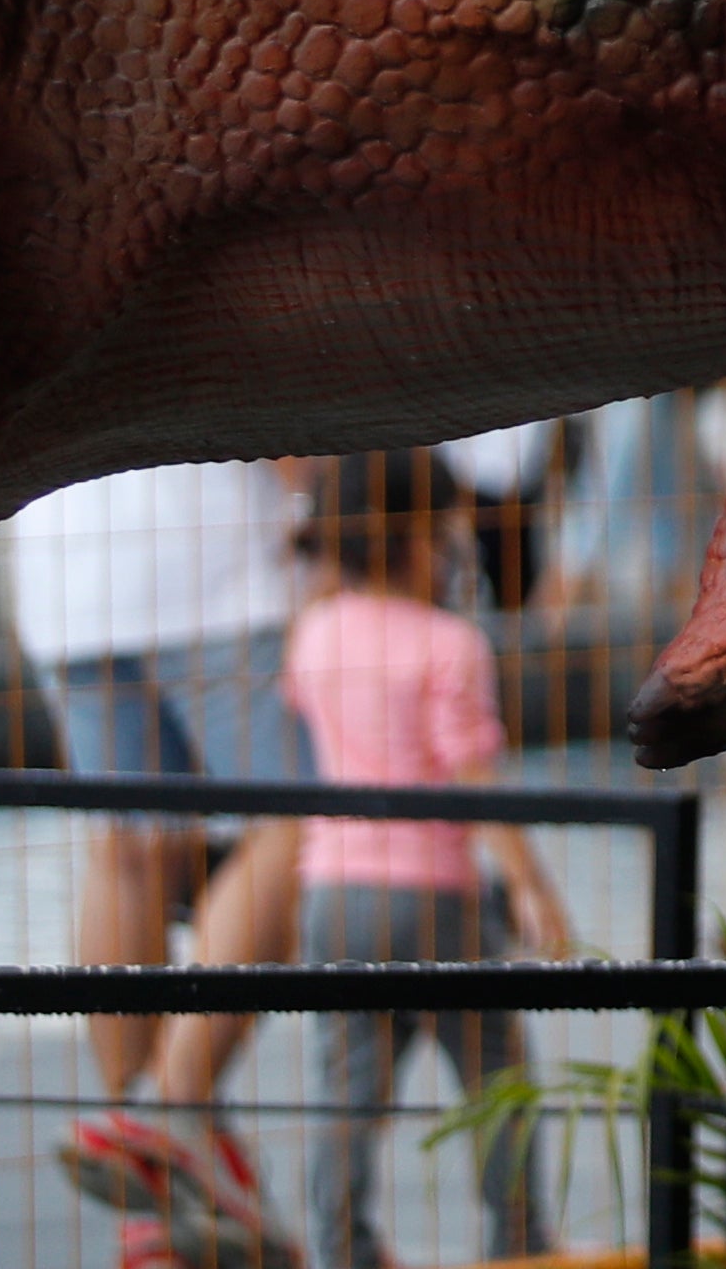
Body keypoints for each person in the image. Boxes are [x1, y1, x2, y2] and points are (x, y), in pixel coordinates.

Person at [12, 462, 314, 1269]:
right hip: (210, 562)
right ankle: (170, 1109)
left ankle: (154, 1182)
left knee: (128, 848)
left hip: (62, 570)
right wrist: (312, 504)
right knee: (301, 826)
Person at [287, 444, 578, 1269]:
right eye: (448, 528)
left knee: (347, 1090)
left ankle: (343, 1246)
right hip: (433, 894)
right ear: (421, 538)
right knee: (495, 1073)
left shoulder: (313, 634)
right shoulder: (449, 646)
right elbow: (473, 787)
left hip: (333, 891)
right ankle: (519, 1239)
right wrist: (532, 887)